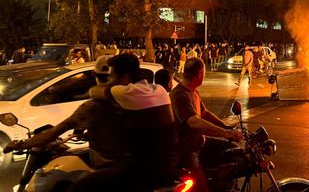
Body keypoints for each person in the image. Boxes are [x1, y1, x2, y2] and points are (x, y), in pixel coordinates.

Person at [3, 55, 134, 191]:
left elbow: (51, 134)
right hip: (131, 165)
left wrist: (19, 144)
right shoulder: (135, 101)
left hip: (110, 167)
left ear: (94, 75)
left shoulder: (92, 107)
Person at [88, 54, 179, 191]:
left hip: (141, 171)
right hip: (169, 165)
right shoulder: (159, 90)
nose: (110, 80)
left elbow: (94, 91)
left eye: (113, 76)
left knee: (84, 185)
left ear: (124, 76)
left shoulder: (125, 92)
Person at [170, 58, 243, 192]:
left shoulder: (192, 91)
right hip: (188, 149)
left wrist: (226, 127)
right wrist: (225, 133)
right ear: (199, 74)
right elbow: (193, 121)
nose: (204, 75)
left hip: (200, 141)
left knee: (233, 150)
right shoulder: (179, 94)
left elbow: (204, 113)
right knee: (201, 187)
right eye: (204, 72)